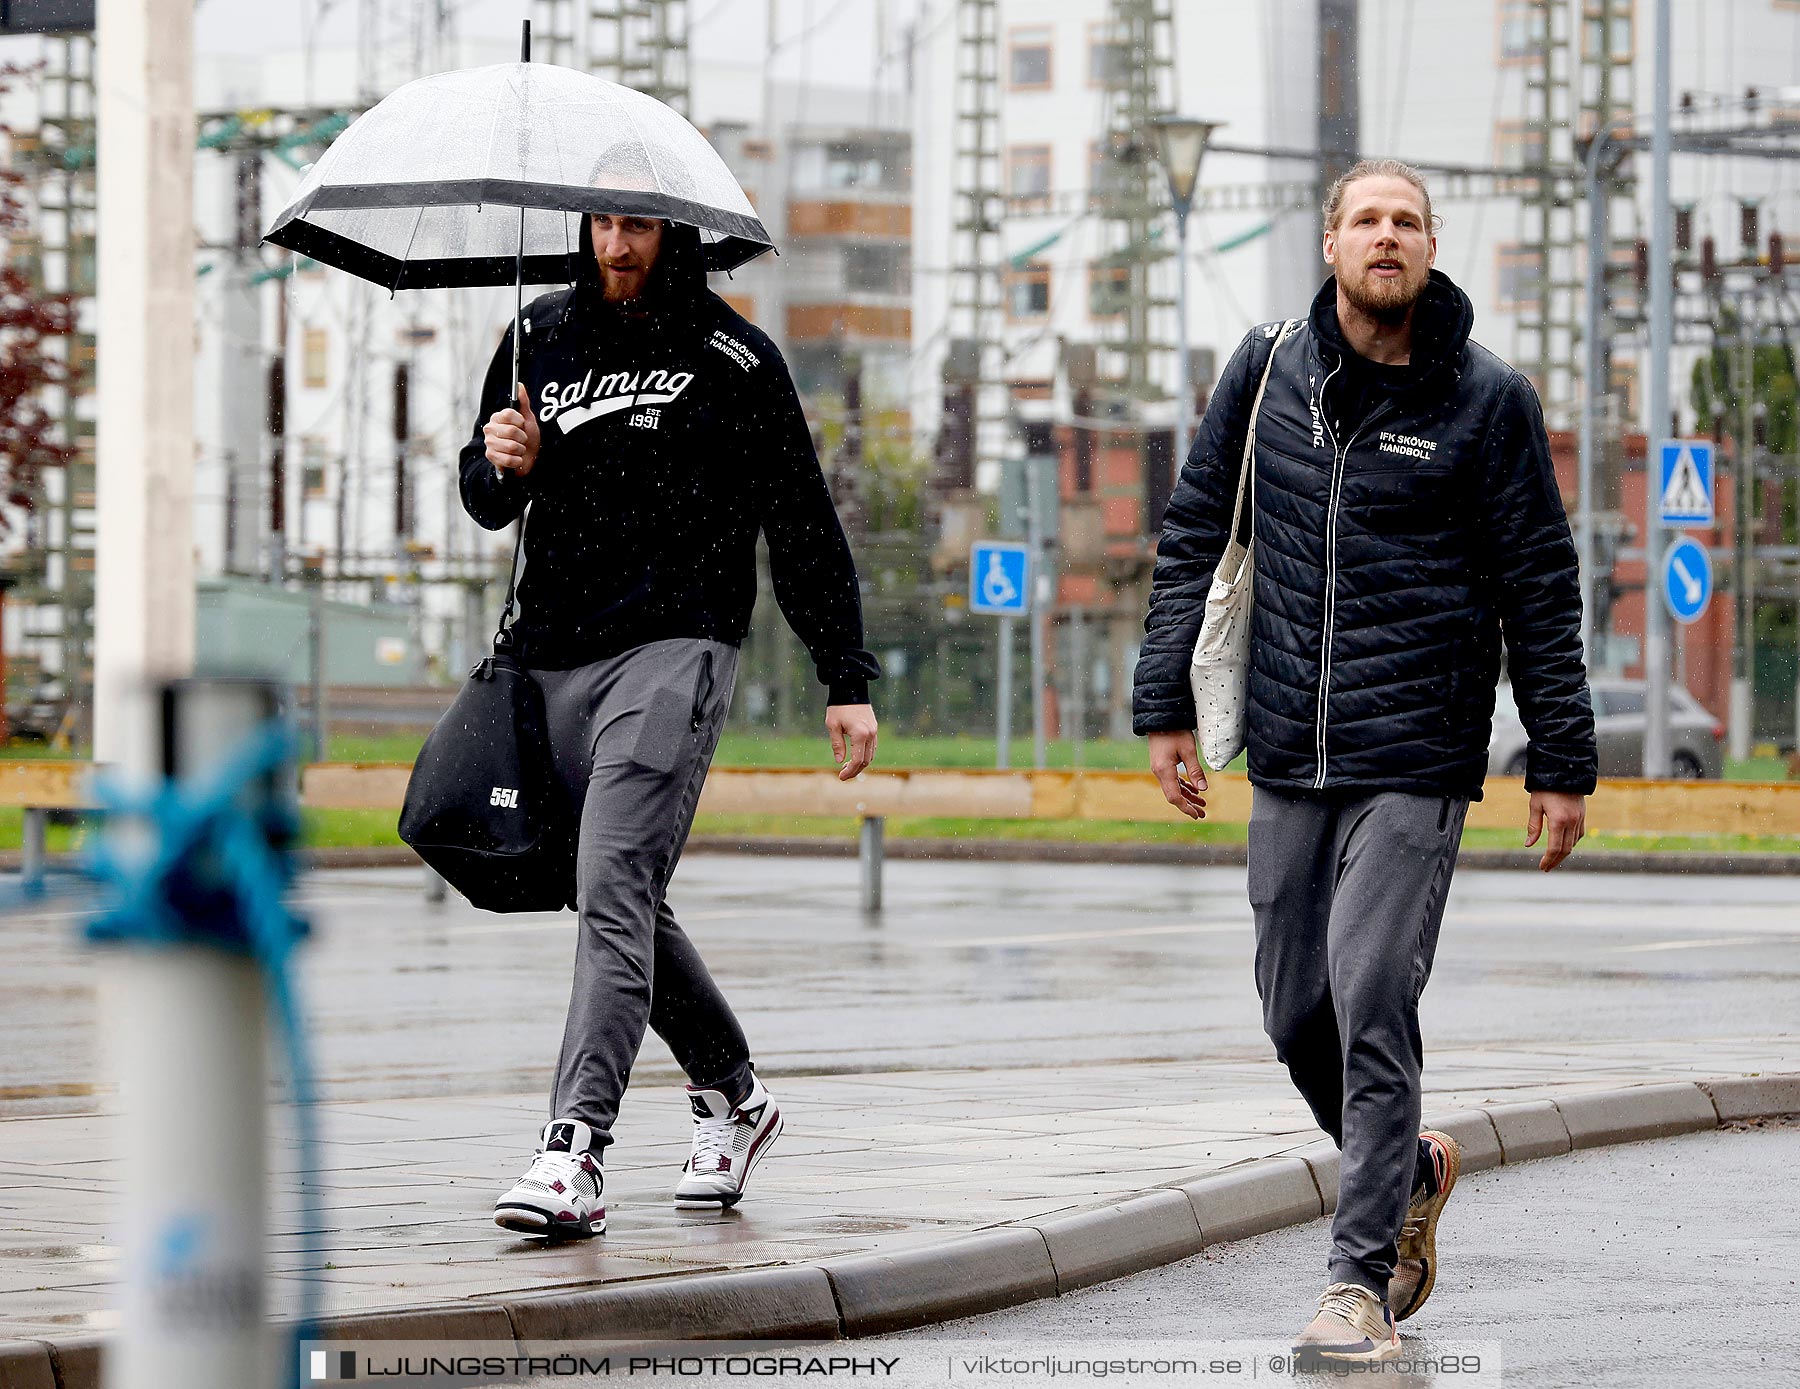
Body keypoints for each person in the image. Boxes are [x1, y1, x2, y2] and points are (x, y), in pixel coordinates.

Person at [1134, 160, 1596, 1361]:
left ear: (1431, 248)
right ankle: (1413, 1169)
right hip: (1287, 745)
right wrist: (1162, 706)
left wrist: (1563, 756)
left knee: (1373, 986)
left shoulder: (1488, 400)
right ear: (1331, 243)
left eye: (1406, 221)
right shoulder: (1266, 366)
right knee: (1295, 1004)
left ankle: (1356, 1280)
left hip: (1419, 754)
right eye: (1366, 220)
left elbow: (1541, 587)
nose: (1385, 237)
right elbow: (1195, 530)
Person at [461, 211, 880, 1238]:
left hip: (674, 649)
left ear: (676, 236)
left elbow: (801, 517)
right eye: (603, 223)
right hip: (548, 654)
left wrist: (845, 672)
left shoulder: (733, 356)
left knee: (611, 885)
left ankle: (575, 1150)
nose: (618, 245)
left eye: (639, 225)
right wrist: (497, 461)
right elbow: (485, 502)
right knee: (614, 893)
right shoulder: (536, 336)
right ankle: (735, 1099)